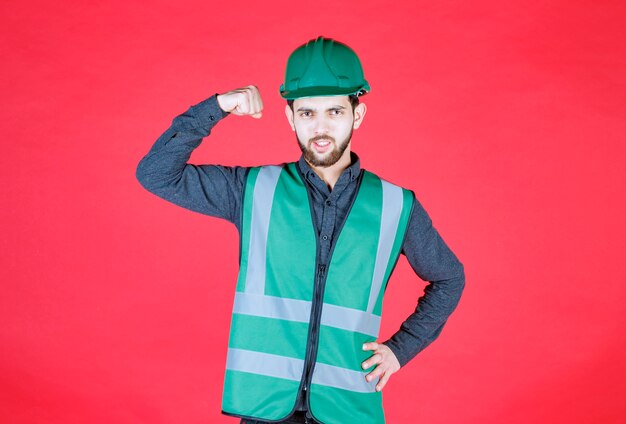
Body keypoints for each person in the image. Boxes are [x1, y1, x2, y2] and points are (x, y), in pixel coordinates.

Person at [136, 36, 465, 424]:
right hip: (264, 409)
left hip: (346, 408)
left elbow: (450, 278)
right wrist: (218, 107)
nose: (321, 128)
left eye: (335, 112)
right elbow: (156, 173)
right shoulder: (252, 190)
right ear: (290, 117)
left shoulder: (397, 206)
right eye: (307, 113)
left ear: (357, 116)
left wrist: (401, 349)